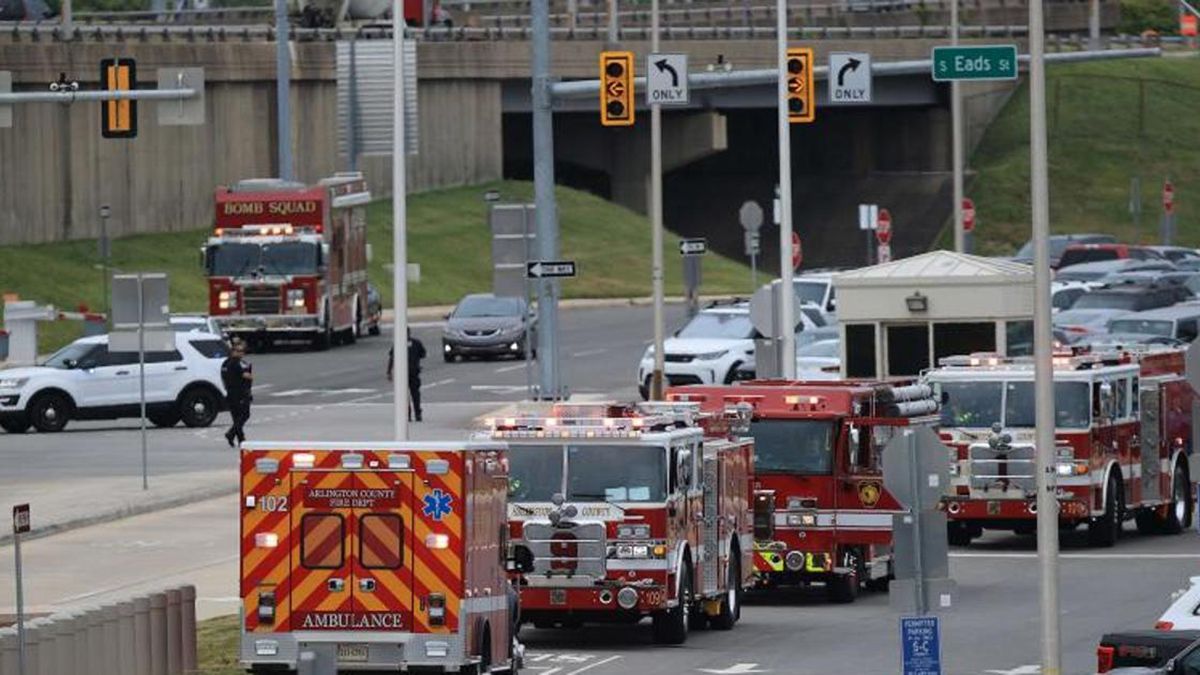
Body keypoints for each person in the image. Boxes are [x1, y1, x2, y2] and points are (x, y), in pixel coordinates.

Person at [388, 329, 427, 422]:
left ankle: (408, 414)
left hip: (403, 373)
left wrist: (389, 371)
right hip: (413, 372)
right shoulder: (416, 343)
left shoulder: (398, 344)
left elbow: (392, 358)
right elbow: (423, 354)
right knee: (415, 394)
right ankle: (417, 413)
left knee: (405, 395)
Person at [221, 338, 253, 447]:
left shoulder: (225, 363)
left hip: (230, 392)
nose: (241, 353)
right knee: (245, 415)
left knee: (236, 417)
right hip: (240, 392)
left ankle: (241, 439)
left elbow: (223, 376)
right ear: (233, 351)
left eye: (242, 351)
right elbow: (247, 376)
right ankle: (231, 433)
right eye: (238, 351)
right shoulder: (237, 363)